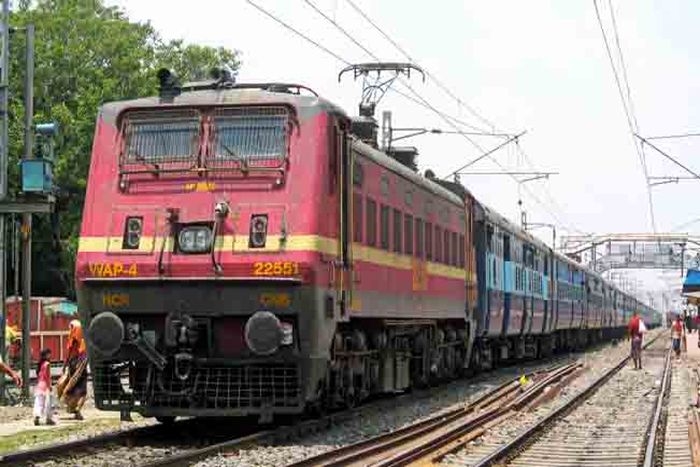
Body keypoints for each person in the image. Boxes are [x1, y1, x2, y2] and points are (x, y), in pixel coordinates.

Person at [59, 320, 88, 420]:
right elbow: (84, 357)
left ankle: (72, 407)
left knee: (73, 387)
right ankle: (77, 410)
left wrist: (64, 366)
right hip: (79, 365)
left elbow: (68, 354)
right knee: (83, 391)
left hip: (72, 364)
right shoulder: (83, 341)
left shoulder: (71, 340)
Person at [33, 348, 55, 426]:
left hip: (39, 384)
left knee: (39, 402)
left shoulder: (40, 364)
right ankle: (48, 418)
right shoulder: (47, 364)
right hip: (45, 385)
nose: (50, 355)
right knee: (49, 402)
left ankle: (37, 416)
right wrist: (50, 385)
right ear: (46, 355)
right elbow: (47, 376)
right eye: (49, 354)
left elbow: (39, 375)